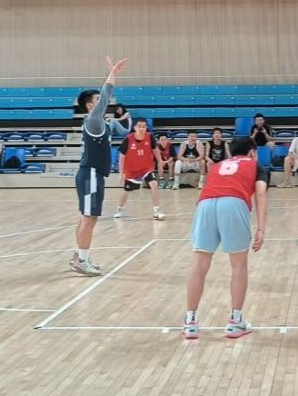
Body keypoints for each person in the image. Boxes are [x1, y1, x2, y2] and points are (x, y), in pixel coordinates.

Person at [183, 137, 269, 340]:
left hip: (204, 204)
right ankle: (235, 322)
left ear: (231, 152)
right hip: (233, 203)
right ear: (252, 153)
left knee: (199, 265)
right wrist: (261, 229)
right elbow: (261, 195)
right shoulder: (255, 165)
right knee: (239, 265)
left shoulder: (218, 165)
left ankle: (190, 323)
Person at [71, 56, 131, 277]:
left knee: (87, 217)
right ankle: (82, 261)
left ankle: (79, 256)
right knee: (89, 217)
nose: (103, 100)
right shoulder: (93, 120)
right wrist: (113, 72)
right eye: (97, 99)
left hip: (94, 175)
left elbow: (123, 128)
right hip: (90, 175)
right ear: (90, 105)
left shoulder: (103, 123)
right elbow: (106, 95)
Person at [113, 118, 164, 221]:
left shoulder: (150, 137)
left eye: (144, 126)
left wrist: (160, 162)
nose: (142, 128)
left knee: (154, 184)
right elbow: (122, 157)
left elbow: (155, 150)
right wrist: (121, 173)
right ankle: (119, 209)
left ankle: (156, 211)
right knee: (126, 191)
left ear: (146, 128)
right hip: (132, 170)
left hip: (147, 168)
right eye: (139, 126)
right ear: (135, 127)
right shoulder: (128, 139)